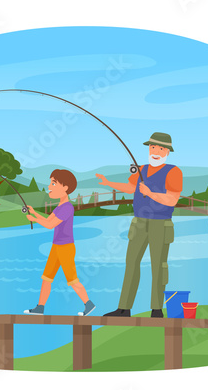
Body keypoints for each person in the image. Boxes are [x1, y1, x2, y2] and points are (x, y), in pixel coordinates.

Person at [97, 132, 182, 318]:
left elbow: (172, 199)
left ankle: (157, 309)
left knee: (158, 266)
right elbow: (130, 188)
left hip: (161, 224)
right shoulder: (141, 169)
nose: (155, 151)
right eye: (152, 147)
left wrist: (150, 193)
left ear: (167, 151)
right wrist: (108, 183)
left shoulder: (173, 171)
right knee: (131, 263)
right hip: (139, 223)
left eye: (160, 148)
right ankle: (124, 308)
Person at [24, 169, 96, 317]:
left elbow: (50, 225)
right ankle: (40, 307)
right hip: (56, 247)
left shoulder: (67, 207)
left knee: (72, 279)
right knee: (46, 277)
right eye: (50, 182)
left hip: (65, 248)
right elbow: (49, 220)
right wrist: (34, 213)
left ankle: (88, 304)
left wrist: (34, 219)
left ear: (65, 188)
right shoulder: (59, 207)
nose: (50, 186)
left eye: (54, 183)